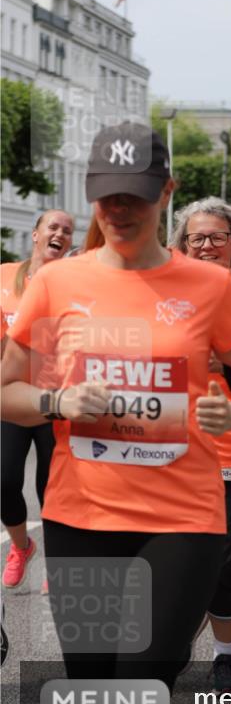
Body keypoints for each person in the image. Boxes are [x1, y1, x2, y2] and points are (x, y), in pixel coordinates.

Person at [1, 122, 231, 704]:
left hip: (182, 519)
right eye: (107, 196)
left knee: (141, 681)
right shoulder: (57, 283)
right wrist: (58, 401)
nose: (120, 209)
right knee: (96, 687)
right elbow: (8, 390)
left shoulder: (208, 286)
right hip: (81, 514)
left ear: (166, 192)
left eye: (135, 195)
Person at [171, 197, 231, 694]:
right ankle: (171, 642)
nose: (206, 246)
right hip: (168, 453)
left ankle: (224, 657)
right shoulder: (160, 293)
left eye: (216, 237)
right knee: (173, 562)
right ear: (182, 245)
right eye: (196, 238)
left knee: (225, 565)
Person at [1, 209, 74, 589]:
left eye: (67, 230)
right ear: (35, 234)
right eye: (53, 227)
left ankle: (56, 563)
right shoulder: (4, 276)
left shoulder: (74, 285)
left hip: (56, 402)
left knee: (53, 490)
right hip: (13, 399)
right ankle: (21, 546)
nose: (60, 233)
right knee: (4, 482)